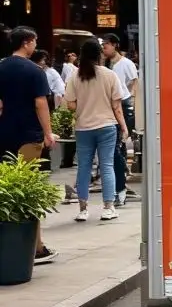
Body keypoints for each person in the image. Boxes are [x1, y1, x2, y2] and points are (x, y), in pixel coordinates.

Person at [0, 26, 56, 263]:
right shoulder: (35, 70)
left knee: (8, 190)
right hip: (29, 136)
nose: (35, 46)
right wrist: (49, 133)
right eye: (34, 41)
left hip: (4, 135)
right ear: (27, 42)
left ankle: (19, 242)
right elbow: (40, 103)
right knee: (29, 190)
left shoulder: (0, 66)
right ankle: (36, 247)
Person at [64, 39, 126, 222]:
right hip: (107, 126)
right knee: (106, 166)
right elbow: (117, 107)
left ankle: (83, 209)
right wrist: (123, 126)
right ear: (99, 54)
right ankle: (108, 207)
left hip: (83, 128)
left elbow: (71, 105)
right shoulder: (109, 75)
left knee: (83, 167)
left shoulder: (75, 76)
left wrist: (84, 105)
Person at [100, 34, 137, 206]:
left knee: (118, 145)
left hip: (123, 104)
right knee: (114, 147)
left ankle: (120, 184)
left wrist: (129, 98)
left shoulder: (126, 63)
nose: (104, 48)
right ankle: (117, 182)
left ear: (115, 45)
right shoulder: (105, 64)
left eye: (106, 45)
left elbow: (134, 82)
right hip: (107, 105)